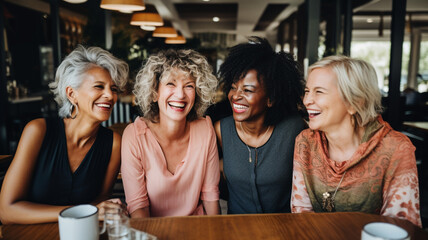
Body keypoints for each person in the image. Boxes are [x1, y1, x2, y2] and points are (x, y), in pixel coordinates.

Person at [0, 45, 129, 224]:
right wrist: (77, 212)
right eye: (99, 87)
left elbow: (100, 206)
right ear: (71, 94)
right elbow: (7, 211)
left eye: (114, 89)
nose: (110, 95)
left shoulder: (113, 143)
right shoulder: (38, 131)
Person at [291, 55, 421, 227]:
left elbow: (400, 226)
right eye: (307, 91)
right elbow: (301, 215)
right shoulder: (305, 142)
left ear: (355, 102)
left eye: (319, 91)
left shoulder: (395, 148)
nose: (307, 100)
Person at [121, 49, 220, 217]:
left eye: (189, 86)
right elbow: (138, 207)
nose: (180, 94)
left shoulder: (205, 130)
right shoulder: (135, 136)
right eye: (170, 84)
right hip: (152, 232)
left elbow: (210, 197)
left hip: (198, 230)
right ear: (154, 93)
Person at [214, 37, 306, 214]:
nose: (236, 96)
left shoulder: (294, 129)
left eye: (247, 90)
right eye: (233, 88)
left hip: (283, 230)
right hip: (236, 230)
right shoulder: (221, 130)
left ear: (271, 98)